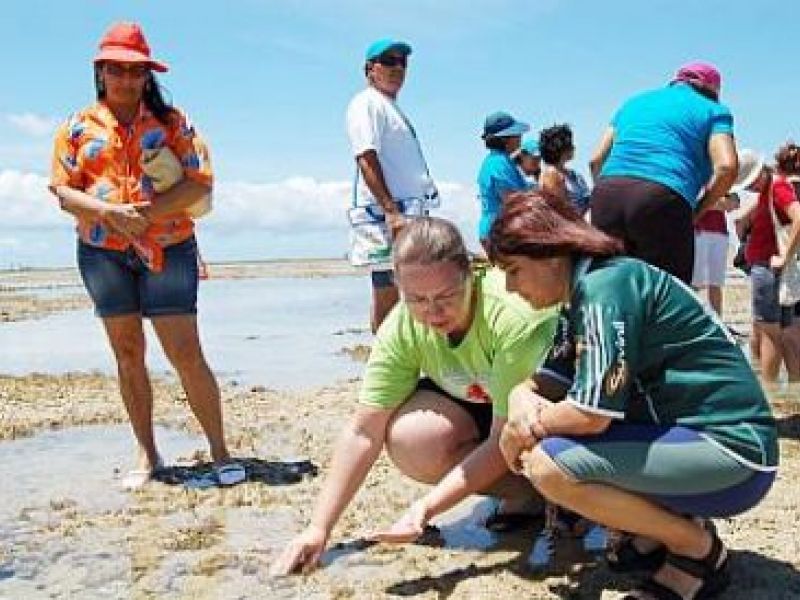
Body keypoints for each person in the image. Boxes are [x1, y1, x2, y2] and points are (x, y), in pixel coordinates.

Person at [488, 192, 777, 600]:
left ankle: (696, 549)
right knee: (554, 442)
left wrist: (520, 430)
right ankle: (656, 532)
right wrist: (520, 399)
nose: (510, 286)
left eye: (514, 270)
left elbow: (591, 415)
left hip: (734, 452)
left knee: (549, 463)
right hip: (696, 442)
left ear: (551, 253)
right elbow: (544, 383)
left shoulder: (604, 288)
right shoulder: (586, 290)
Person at [272, 217, 557, 575]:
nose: (433, 312)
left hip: (542, 411)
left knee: (539, 454)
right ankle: (528, 494)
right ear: (398, 287)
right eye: (417, 299)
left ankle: (558, 492)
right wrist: (319, 528)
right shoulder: (401, 326)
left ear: (471, 274)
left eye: (446, 296)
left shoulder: (513, 314)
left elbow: (504, 436)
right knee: (413, 439)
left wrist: (426, 508)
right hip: (477, 401)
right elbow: (363, 431)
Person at [48, 22, 244, 488]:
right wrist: (109, 213)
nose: (126, 79)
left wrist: (145, 215)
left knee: (185, 352)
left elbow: (200, 183)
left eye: (135, 70)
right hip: (102, 253)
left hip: (169, 247)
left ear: (147, 75)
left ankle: (220, 451)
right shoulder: (76, 127)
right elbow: (61, 190)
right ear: (101, 71)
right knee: (128, 353)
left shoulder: (173, 122)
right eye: (116, 69)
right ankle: (147, 453)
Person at [588, 61, 738, 284]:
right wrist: (699, 210)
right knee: (665, 293)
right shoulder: (713, 110)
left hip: (607, 195)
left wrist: (612, 194)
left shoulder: (633, 103)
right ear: (713, 90)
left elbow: (595, 160)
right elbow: (727, 167)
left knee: (610, 287)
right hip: (662, 197)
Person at [346, 38, 438, 333]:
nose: (398, 68)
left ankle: (401, 353)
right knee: (387, 289)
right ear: (369, 69)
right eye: (389, 61)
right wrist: (391, 211)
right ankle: (382, 356)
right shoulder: (366, 103)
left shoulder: (389, 106)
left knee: (410, 288)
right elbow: (366, 157)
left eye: (403, 63)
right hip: (387, 215)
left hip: (406, 212)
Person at [734, 149, 800, 383]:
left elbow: (798, 217)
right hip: (769, 268)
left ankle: (769, 390)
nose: (751, 188)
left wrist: (784, 256)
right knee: (783, 333)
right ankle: (791, 389)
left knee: (769, 333)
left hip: (768, 268)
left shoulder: (777, 187)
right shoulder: (768, 189)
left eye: (752, 182)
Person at [476, 111, 531, 251]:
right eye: (516, 134)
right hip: (500, 232)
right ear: (505, 139)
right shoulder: (499, 163)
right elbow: (512, 201)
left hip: (497, 229)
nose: (520, 137)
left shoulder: (498, 160)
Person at [692, 192, 739, 316]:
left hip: (719, 233)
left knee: (716, 282)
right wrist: (718, 202)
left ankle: (718, 320)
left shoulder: (723, 184)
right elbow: (695, 202)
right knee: (695, 282)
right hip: (698, 232)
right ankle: (691, 318)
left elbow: (733, 204)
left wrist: (714, 203)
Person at [538, 124, 591, 216]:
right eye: (570, 144)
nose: (573, 147)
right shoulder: (551, 174)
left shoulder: (574, 175)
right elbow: (561, 211)